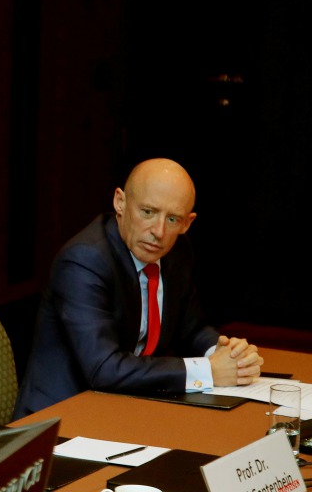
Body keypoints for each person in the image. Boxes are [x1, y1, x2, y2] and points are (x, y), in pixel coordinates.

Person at [14, 158, 263, 418]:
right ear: (120, 202)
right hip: (61, 416)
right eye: (148, 212)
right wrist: (208, 371)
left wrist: (229, 355)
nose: (158, 231)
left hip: (126, 405)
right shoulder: (84, 260)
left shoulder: (177, 252)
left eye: (173, 219)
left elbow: (192, 329)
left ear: (187, 223)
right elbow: (104, 368)